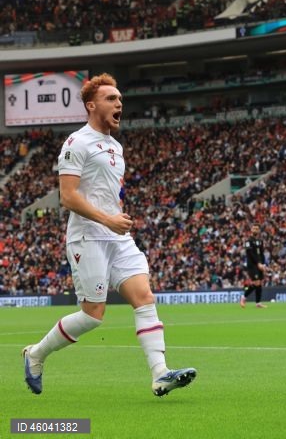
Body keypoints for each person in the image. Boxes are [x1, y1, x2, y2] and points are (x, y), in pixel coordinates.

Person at [22, 73, 196, 397]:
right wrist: (108, 220)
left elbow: (107, 193)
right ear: (91, 105)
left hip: (117, 236)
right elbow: (68, 197)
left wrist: (118, 219)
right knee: (93, 316)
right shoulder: (76, 143)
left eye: (120, 100)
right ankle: (36, 354)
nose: (119, 104)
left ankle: (160, 374)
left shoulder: (115, 146)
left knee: (144, 296)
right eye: (111, 99)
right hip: (87, 236)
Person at [241, 225, 267, 308]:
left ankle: (258, 303)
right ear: (251, 230)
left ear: (259, 230)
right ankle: (243, 297)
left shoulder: (260, 241)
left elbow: (262, 254)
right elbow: (250, 254)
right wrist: (258, 263)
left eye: (257, 228)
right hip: (252, 265)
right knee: (256, 283)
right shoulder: (248, 241)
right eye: (254, 228)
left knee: (259, 283)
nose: (255, 230)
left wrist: (263, 264)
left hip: (259, 264)